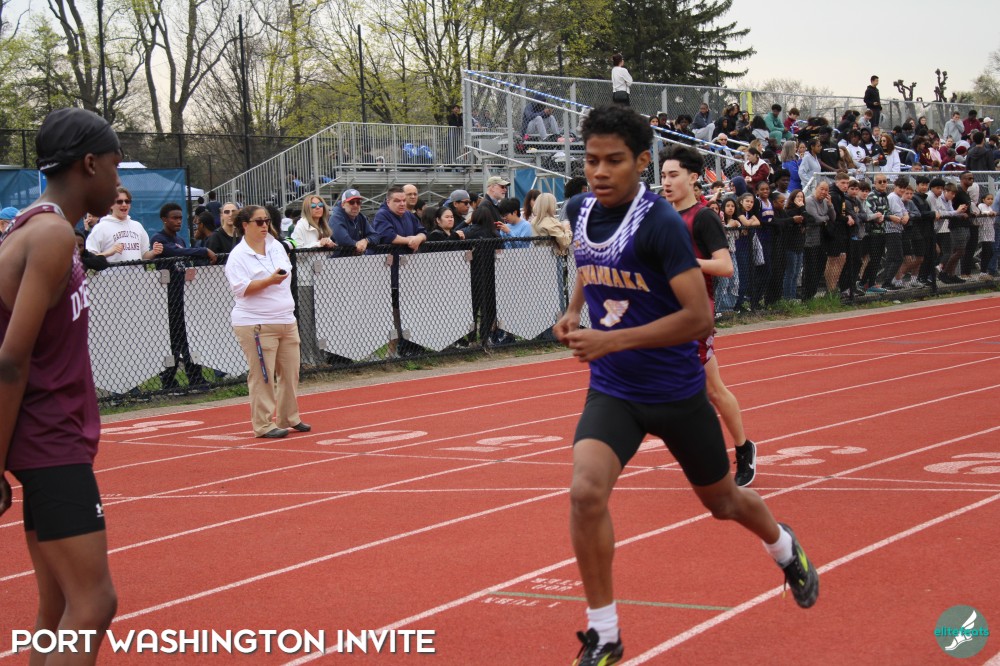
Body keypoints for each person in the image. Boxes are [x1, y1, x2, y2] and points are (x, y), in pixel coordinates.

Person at [555, 105, 818, 666]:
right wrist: (574, 312)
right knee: (585, 493)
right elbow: (587, 262)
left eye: (613, 161)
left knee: (723, 502)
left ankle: (783, 546)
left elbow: (699, 318)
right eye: (591, 160)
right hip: (615, 391)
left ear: (641, 162)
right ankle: (605, 633)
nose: (599, 171)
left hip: (675, 392)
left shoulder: (661, 223)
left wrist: (612, 340)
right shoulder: (579, 208)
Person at [0, 107, 123, 664]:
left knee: (56, 607)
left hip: (48, 439)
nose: (118, 183)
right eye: (115, 167)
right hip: (49, 442)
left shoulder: (36, 226)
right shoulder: (50, 234)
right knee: (94, 603)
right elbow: (9, 362)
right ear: (90, 163)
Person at [660, 143, 758, 486]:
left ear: (693, 178)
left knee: (702, 390)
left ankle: (735, 450)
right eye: (663, 175)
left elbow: (725, 266)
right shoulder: (662, 216)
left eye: (673, 175)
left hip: (694, 313)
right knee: (705, 389)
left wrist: (686, 262)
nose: (666, 182)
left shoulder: (703, 217)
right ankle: (730, 448)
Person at [224, 206, 310, 438]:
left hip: (286, 319)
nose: (264, 226)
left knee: (290, 372)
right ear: (245, 225)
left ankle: (288, 416)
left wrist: (275, 279)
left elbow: (286, 271)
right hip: (256, 323)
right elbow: (241, 289)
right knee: (263, 375)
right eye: (259, 222)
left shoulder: (275, 246)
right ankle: (263, 424)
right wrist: (269, 280)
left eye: (267, 221)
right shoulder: (238, 256)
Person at [151, 203, 217, 391]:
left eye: (180, 218)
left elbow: (184, 258)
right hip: (168, 299)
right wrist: (202, 251)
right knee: (173, 342)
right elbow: (175, 252)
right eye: (174, 218)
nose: (178, 221)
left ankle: (195, 378)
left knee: (189, 339)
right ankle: (168, 381)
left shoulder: (180, 239)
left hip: (184, 297)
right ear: (164, 219)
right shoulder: (158, 239)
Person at [85, 186, 163, 263]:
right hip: (113, 272)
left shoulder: (137, 226)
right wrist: (108, 252)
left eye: (127, 201)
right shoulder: (101, 227)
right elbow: (90, 258)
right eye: (119, 202)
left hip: (137, 271)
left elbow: (144, 255)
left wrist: (153, 252)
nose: (124, 204)